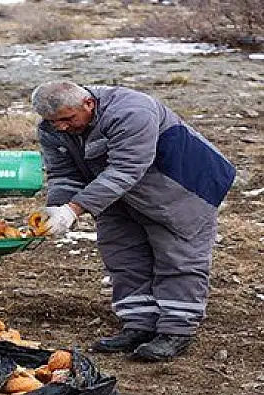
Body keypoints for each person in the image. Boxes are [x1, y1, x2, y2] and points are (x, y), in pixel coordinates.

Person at [30, 80, 235, 362]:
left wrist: (73, 210)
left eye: (67, 119)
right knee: (122, 253)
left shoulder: (131, 110)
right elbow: (64, 172)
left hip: (181, 185)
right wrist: (56, 209)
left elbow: (126, 169)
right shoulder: (52, 128)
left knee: (178, 255)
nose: (61, 127)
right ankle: (138, 325)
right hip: (115, 194)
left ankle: (176, 330)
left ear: (88, 103)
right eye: (54, 122)